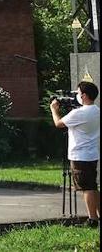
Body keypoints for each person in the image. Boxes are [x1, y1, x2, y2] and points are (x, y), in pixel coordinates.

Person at [52, 80, 99, 225]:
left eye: (78, 93)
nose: (76, 96)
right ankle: (97, 215)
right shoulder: (97, 110)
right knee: (92, 186)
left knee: (87, 188)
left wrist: (54, 109)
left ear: (84, 95)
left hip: (80, 155)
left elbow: (58, 123)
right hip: (92, 154)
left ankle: (92, 219)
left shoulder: (79, 113)